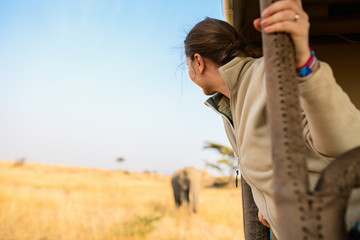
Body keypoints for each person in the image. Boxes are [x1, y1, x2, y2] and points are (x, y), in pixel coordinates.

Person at [184, 0, 360, 237]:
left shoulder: (267, 74)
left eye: (188, 65)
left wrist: (306, 65)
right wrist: (268, 205)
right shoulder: (230, 103)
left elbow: (346, 143)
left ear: (198, 60)